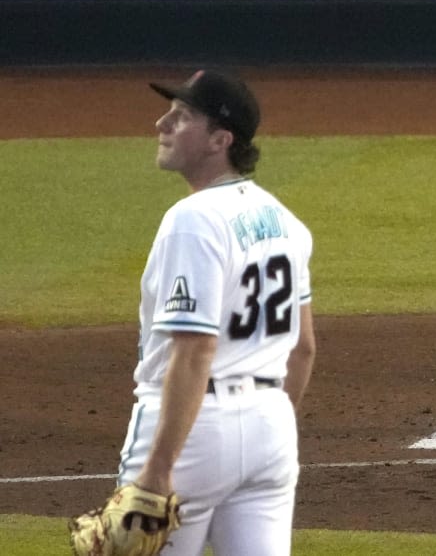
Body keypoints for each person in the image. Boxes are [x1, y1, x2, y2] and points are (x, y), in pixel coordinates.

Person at [113, 70, 316, 555]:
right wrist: (263, 425)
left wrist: (159, 469)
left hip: (192, 433)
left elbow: (197, 347)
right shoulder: (286, 221)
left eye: (182, 117)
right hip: (271, 428)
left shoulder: (193, 219)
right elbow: (304, 348)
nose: (161, 123)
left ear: (219, 140)